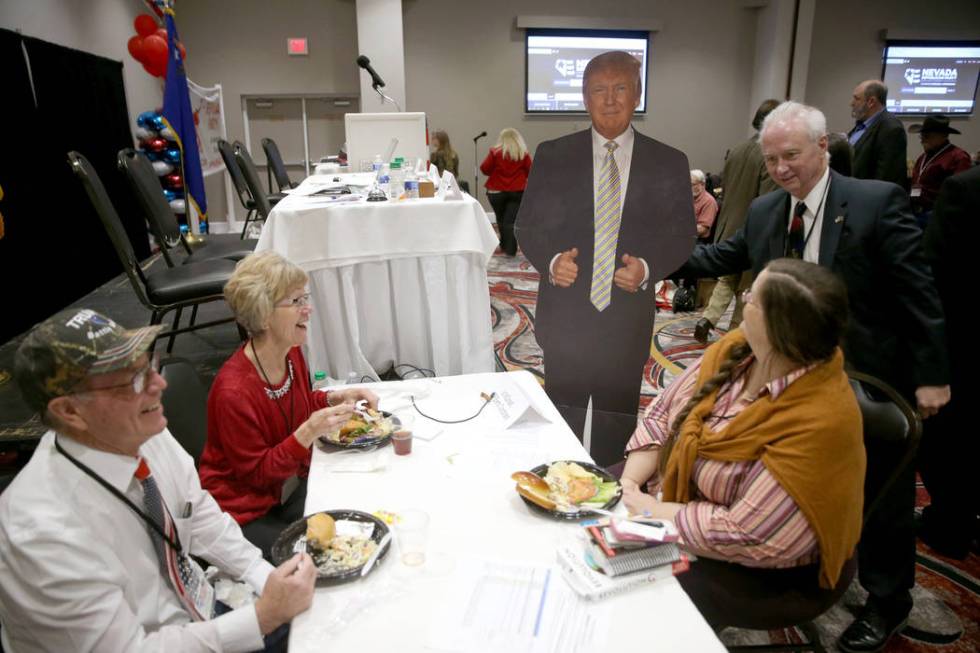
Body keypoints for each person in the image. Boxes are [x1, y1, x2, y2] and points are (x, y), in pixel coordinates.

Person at [673, 100, 950, 653]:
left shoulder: (875, 202)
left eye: (791, 155)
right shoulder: (768, 209)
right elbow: (731, 254)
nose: (780, 168)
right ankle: (801, 555)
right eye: (772, 158)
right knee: (791, 478)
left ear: (823, 147)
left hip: (868, 374)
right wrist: (664, 261)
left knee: (878, 493)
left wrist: (932, 374)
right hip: (790, 375)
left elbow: (918, 293)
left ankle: (887, 599)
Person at [0, 308, 316, 651]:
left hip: (200, 610)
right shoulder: (41, 534)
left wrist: (263, 575)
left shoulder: (140, 432)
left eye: (148, 365)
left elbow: (198, 514)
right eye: (132, 381)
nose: (159, 385)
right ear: (70, 412)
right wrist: (262, 617)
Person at [622, 258, 864, 627]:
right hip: (678, 505)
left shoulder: (821, 421)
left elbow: (747, 533)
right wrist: (629, 485)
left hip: (765, 572)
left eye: (750, 297)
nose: (743, 297)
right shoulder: (738, 351)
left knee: (630, 596)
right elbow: (662, 414)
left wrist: (650, 512)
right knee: (584, 501)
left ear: (775, 326)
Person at [515, 51, 694, 465]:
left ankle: (608, 506)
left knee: (617, 429)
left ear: (637, 94)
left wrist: (648, 268)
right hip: (566, 318)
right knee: (560, 424)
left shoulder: (669, 161)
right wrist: (552, 259)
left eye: (620, 89)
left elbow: (682, 234)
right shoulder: (553, 154)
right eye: (599, 90)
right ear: (584, 96)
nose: (610, 99)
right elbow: (528, 226)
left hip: (626, 319)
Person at [198, 251, 378, 559]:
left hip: (286, 489)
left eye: (305, 298)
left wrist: (334, 397)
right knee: (325, 557)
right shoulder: (234, 391)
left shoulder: (290, 353)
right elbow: (259, 475)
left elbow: (293, 406)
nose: (307, 310)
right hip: (244, 513)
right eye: (296, 302)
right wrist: (309, 431)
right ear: (264, 314)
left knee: (364, 499)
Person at [918, 165, 980, 559]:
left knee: (950, 439)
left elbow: (931, 278)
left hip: (964, 345)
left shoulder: (965, 189)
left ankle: (950, 524)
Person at [694, 99, 780, 344]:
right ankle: (736, 342)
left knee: (726, 281)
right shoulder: (769, 156)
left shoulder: (737, 149)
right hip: (751, 232)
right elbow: (768, 201)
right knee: (747, 294)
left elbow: (725, 188)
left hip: (727, 227)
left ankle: (708, 318)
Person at [908, 115, 971, 225]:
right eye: (921, 136)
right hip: (916, 210)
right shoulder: (923, 157)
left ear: (942, 136)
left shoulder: (958, 157)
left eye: (926, 136)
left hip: (938, 215)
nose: (922, 140)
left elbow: (959, 194)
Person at [480, 128, 532, 256]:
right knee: (510, 221)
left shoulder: (494, 153)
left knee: (501, 219)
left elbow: (485, 169)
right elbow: (530, 171)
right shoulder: (523, 154)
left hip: (496, 192)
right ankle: (510, 248)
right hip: (517, 191)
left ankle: (505, 245)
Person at [847, 80, 907, 188]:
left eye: (856, 98)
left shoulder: (891, 129)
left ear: (871, 102)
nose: (851, 103)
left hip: (866, 198)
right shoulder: (862, 124)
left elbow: (886, 178)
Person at [690, 169, 718, 242]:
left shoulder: (709, 202)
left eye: (692, 184)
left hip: (699, 241)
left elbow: (703, 229)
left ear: (702, 184)